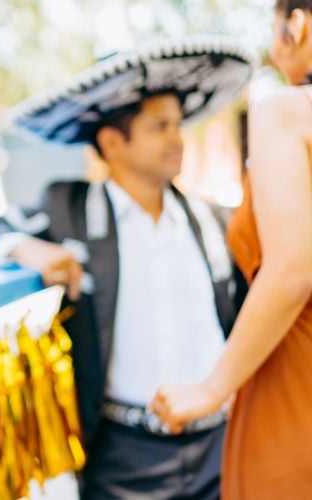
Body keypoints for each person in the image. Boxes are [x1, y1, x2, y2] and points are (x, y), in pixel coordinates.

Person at [0, 37, 254, 498]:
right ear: (112, 141)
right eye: (159, 127)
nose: (177, 139)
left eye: (177, 125)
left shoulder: (211, 219)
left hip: (221, 446)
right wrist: (26, 248)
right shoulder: (67, 209)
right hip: (122, 456)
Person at [151, 2, 312, 495]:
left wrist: (212, 387)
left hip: (296, 390)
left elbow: (291, 272)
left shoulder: (284, 110)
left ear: (296, 25)